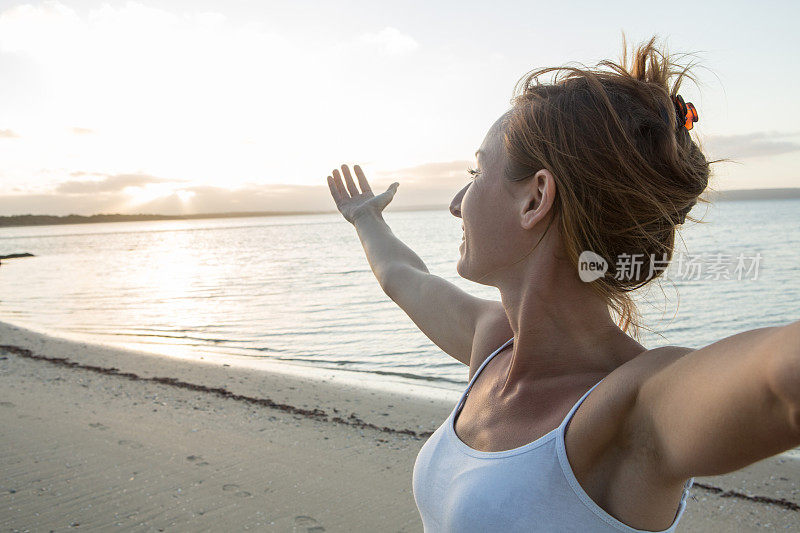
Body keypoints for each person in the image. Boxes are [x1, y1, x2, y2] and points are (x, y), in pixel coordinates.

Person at [325, 36, 800, 532]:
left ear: (535, 198)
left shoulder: (637, 405)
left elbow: (780, 382)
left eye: (476, 171)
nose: (456, 202)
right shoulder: (491, 345)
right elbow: (404, 277)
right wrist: (365, 219)